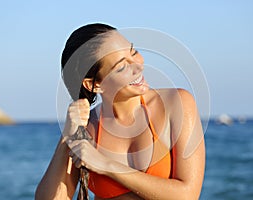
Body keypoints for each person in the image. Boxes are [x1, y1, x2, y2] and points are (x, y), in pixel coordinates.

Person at [35, 23, 205, 200]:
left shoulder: (176, 103)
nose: (138, 66)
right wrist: (68, 136)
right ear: (95, 84)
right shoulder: (86, 127)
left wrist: (106, 165)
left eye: (133, 52)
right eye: (122, 67)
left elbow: (188, 195)